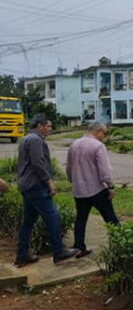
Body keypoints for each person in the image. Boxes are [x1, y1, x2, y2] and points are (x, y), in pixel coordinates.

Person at [15, 114, 78, 267]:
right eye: (48, 126)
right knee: (52, 217)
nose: (51, 129)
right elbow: (38, 163)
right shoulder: (35, 140)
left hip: (26, 185)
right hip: (36, 185)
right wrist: (49, 181)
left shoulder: (26, 138)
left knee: (28, 221)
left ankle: (22, 255)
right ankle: (58, 251)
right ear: (39, 126)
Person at [66, 122, 120, 258]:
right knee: (110, 218)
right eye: (105, 133)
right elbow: (104, 170)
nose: (104, 136)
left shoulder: (74, 144)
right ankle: (121, 245)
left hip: (79, 189)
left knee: (80, 219)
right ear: (99, 131)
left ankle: (79, 247)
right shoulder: (98, 146)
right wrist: (110, 186)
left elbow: (69, 167)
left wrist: (72, 180)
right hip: (97, 189)